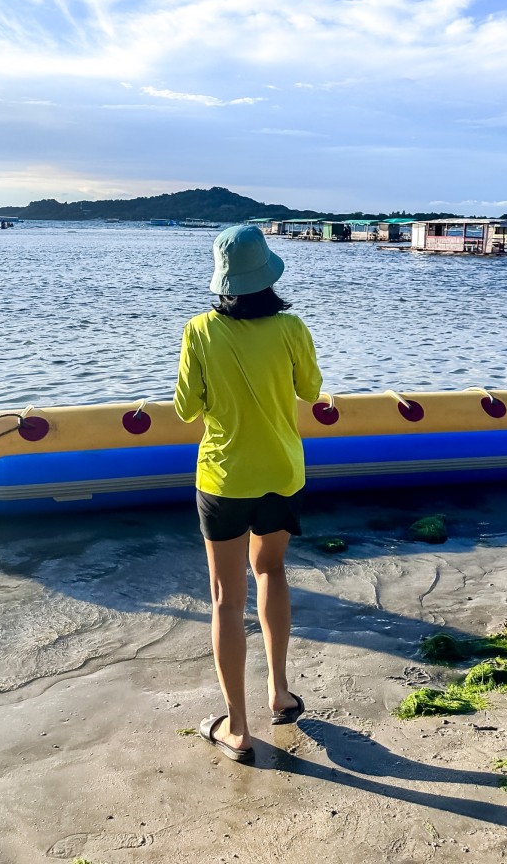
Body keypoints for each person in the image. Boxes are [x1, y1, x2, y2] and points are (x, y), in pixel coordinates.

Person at [174, 224, 323, 763]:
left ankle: (236, 729)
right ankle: (280, 693)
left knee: (224, 598)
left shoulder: (198, 331)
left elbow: (187, 408)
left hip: (222, 478)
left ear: (222, 280)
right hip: (282, 472)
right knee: (272, 572)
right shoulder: (291, 327)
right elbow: (310, 389)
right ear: (267, 275)